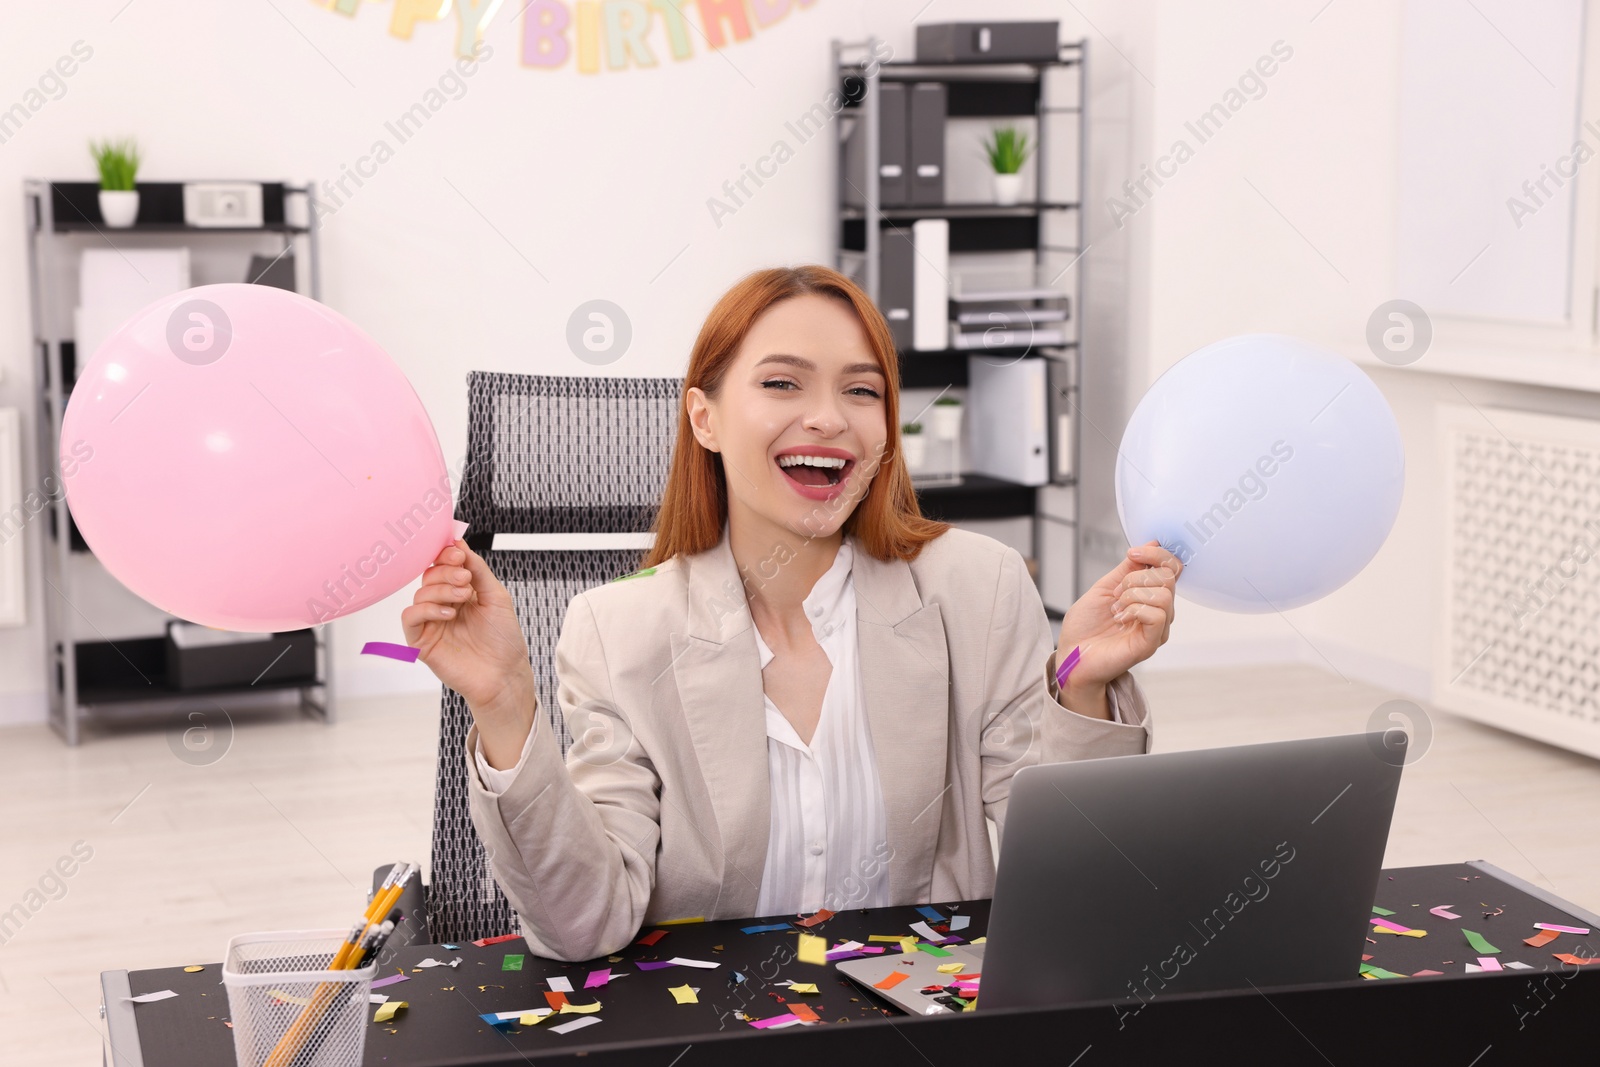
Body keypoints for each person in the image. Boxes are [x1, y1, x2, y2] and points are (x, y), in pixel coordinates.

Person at [404, 265, 1181, 962]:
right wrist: (504, 702)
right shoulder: (616, 631)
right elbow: (582, 925)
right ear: (704, 419)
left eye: (861, 389)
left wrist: (1080, 679)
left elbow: (1075, 892)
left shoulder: (980, 587)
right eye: (783, 384)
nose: (828, 418)